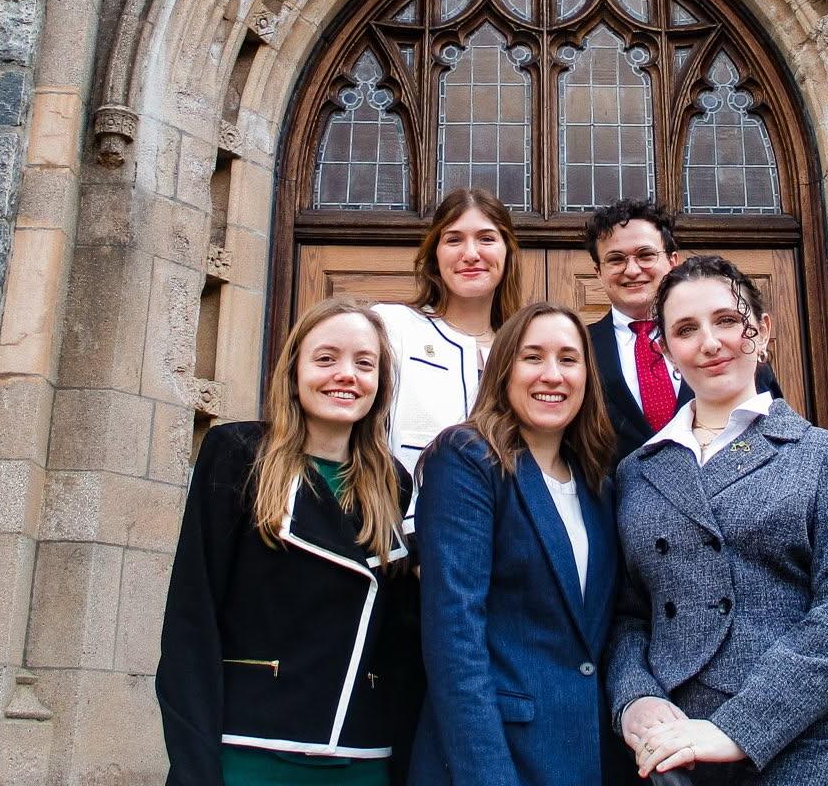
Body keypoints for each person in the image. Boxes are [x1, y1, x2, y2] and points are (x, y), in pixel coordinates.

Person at [606, 256, 828, 786]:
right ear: (663, 350)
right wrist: (634, 698)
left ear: (763, 332)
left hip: (814, 739)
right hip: (676, 745)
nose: (710, 343)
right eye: (686, 330)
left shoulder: (827, 456)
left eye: (727, 321)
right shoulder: (636, 473)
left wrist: (739, 728)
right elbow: (626, 616)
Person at [157, 298, 420, 786]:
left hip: (362, 756)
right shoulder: (237, 455)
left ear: (380, 383)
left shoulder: (394, 483)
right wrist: (194, 767)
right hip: (249, 749)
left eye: (365, 364)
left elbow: (399, 642)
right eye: (326, 359)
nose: (346, 375)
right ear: (294, 370)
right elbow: (192, 618)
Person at [408, 302, 621, 786]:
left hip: (589, 754)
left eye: (569, 359)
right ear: (503, 369)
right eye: (532, 357)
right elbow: (454, 630)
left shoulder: (599, 486)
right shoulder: (467, 459)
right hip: (497, 755)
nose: (553, 374)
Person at [582, 199, 780, 464]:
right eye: (616, 260)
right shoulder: (579, 350)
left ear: (672, 261)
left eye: (645, 255)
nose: (632, 270)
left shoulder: (737, 351)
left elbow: (777, 438)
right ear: (598, 272)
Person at [375, 188, 525, 473]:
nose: (470, 254)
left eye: (486, 239)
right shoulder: (393, 327)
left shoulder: (526, 347)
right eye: (454, 239)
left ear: (507, 252)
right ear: (435, 254)